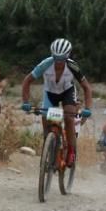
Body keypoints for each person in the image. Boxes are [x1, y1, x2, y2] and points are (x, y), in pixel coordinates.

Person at [20, 38, 93, 168]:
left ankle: (71, 151)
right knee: (46, 120)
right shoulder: (45, 64)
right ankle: (49, 146)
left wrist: (88, 108)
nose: (58, 62)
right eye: (56, 59)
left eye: (62, 59)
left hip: (67, 93)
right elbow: (27, 81)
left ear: (68, 56)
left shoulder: (72, 66)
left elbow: (86, 87)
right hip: (50, 94)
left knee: (69, 118)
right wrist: (25, 102)